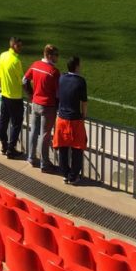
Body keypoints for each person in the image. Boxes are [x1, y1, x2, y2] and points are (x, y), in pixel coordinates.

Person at [23, 44, 60, 172]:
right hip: (48, 106)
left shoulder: (35, 65)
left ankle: (31, 158)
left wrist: (31, 95)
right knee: (45, 135)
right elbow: (58, 93)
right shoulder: (53, 72)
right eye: (56, 55)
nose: (57, 57)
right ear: (49, 55)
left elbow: (24, 80)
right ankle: (45, 163)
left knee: (34, 131)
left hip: (35, 103)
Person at [54, 56, 88, 185]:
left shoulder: (62, 78)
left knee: (63, 147)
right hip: (74, 120)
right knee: (77, 148)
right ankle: (73, 176)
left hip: (62, 119)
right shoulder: (80, 81)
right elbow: (84, 102)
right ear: (77, 66)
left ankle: (65, 174)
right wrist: (84, 115)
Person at [0, 37, 25, 159]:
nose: (21, 48)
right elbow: (22, 80)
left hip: (5, 94)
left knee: (3, 120)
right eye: (19, 46)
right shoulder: (16, 61)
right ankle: (11, 149)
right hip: (15, 97)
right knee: (16, 123)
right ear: (13, 46)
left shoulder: (3, 55)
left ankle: (4, 145)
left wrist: (1, 85)